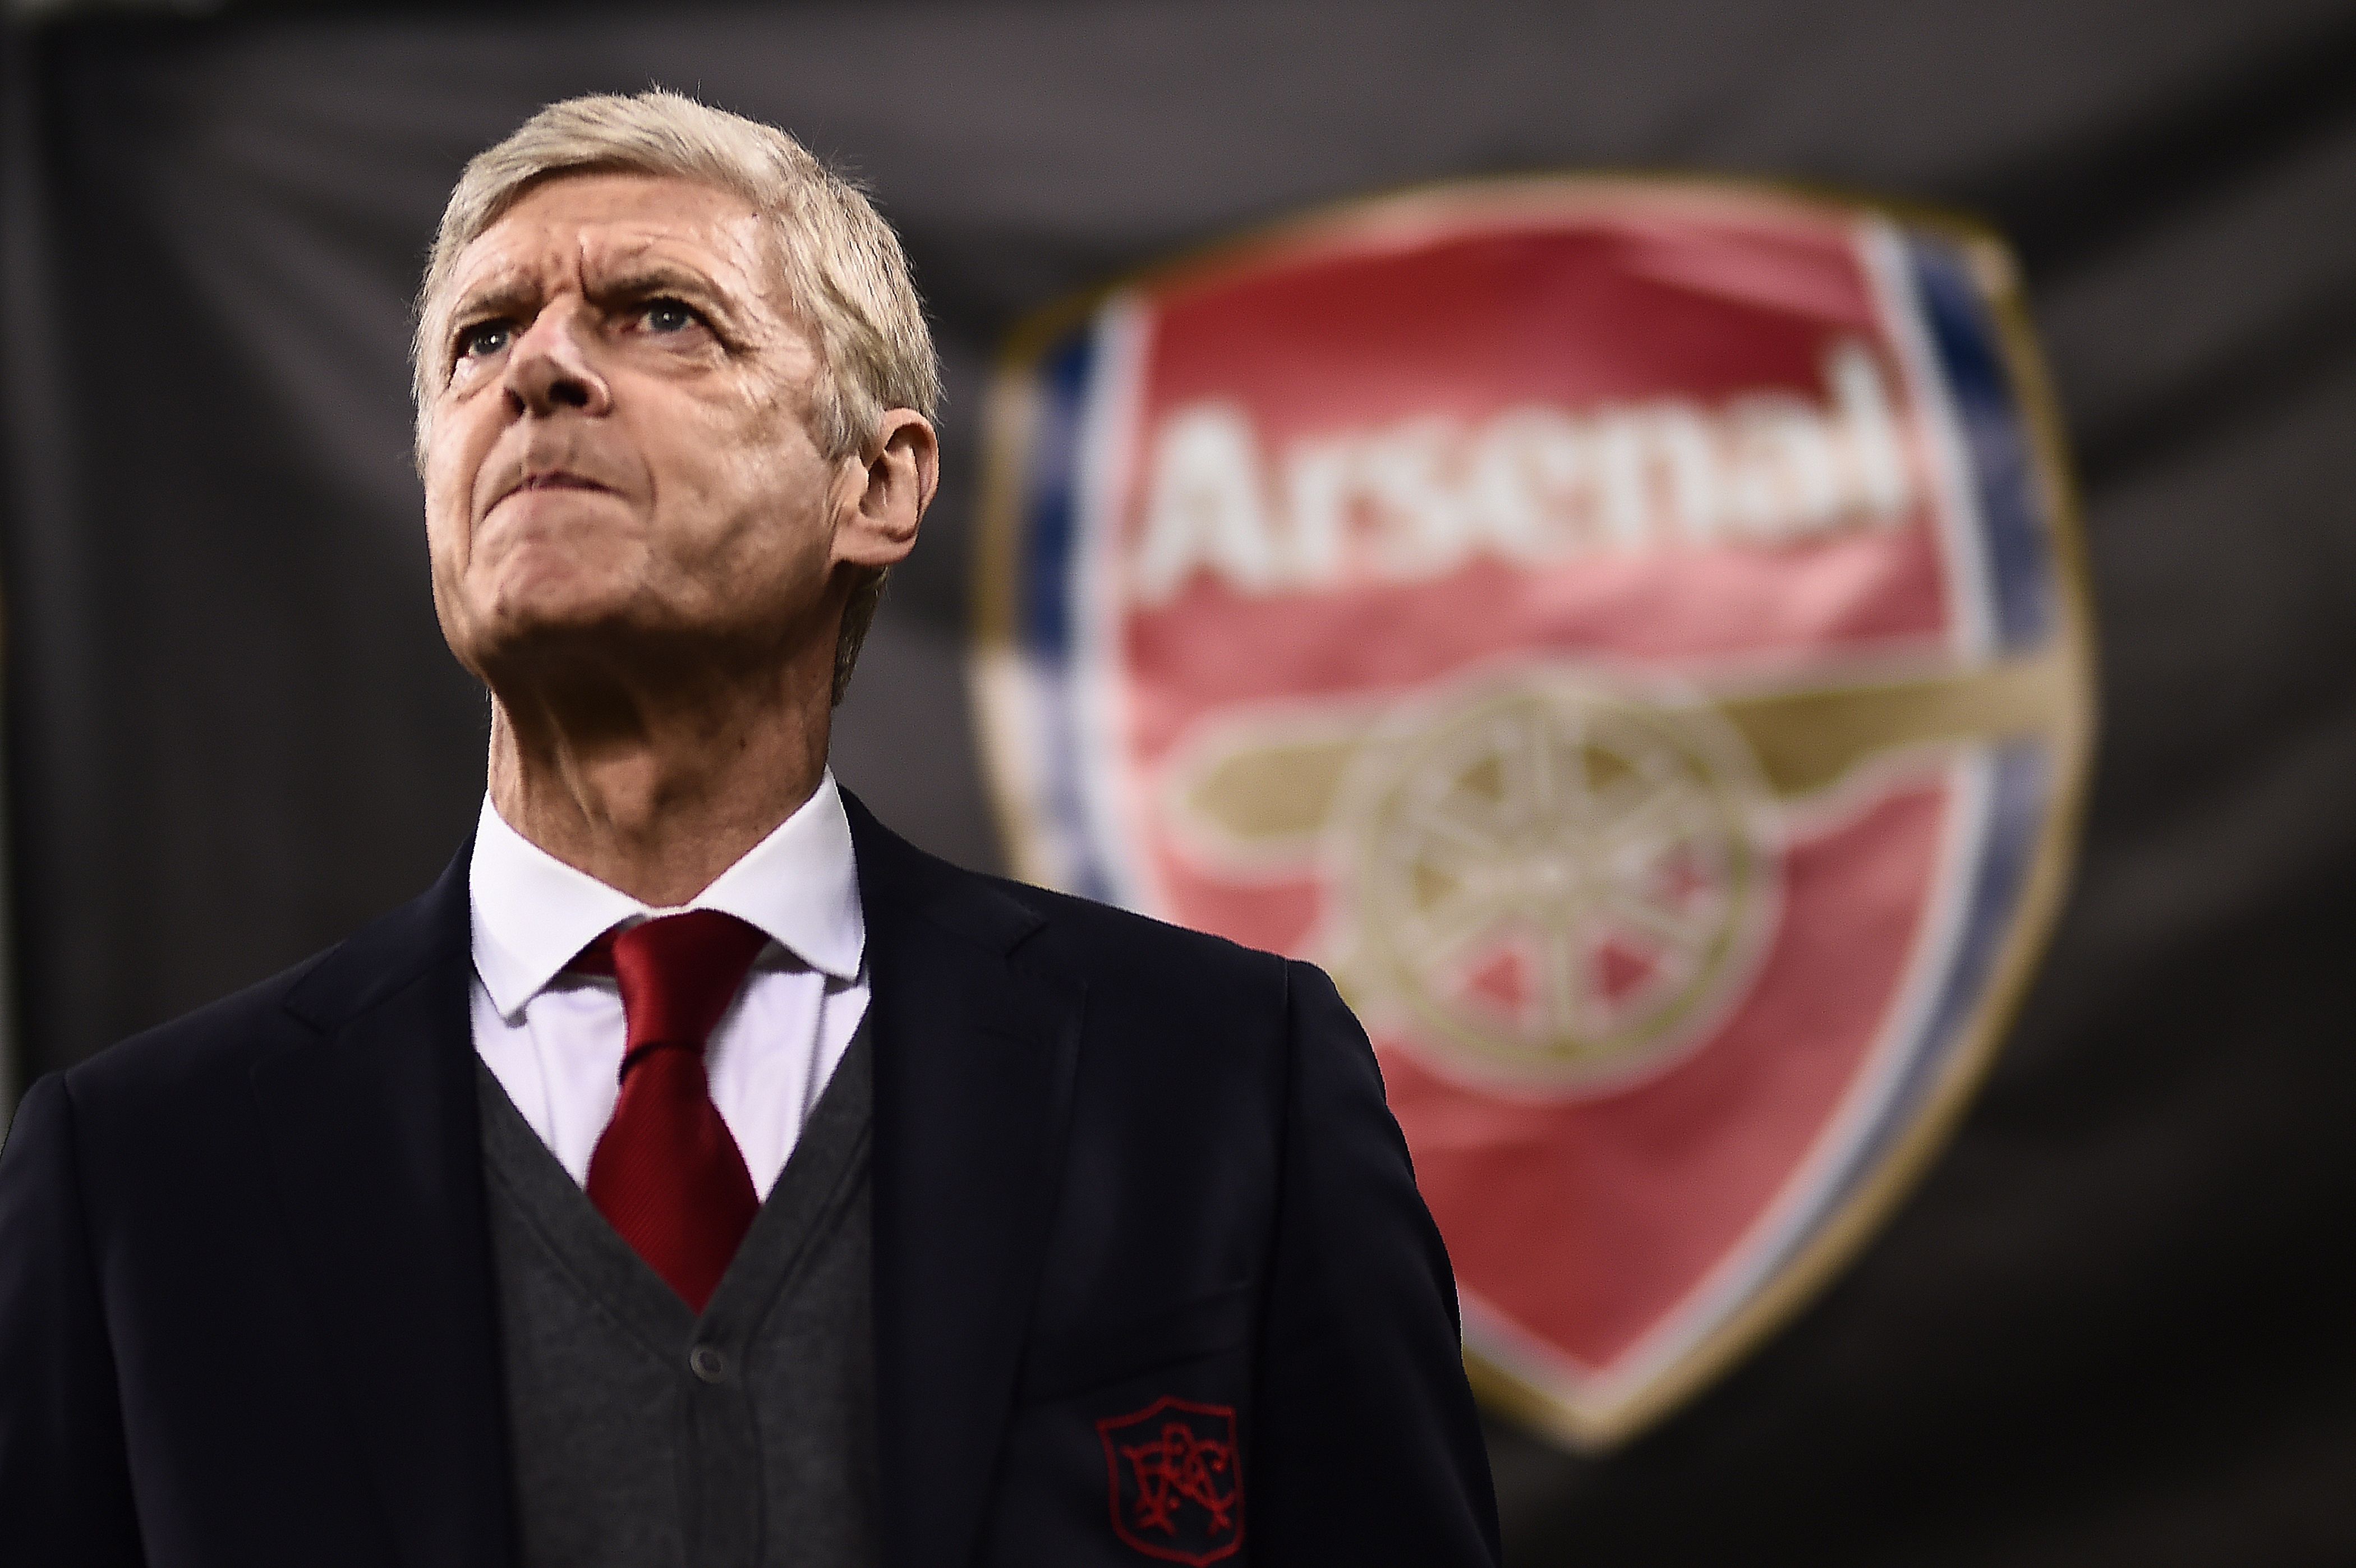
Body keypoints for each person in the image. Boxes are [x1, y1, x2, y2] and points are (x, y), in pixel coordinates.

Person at [0, 91, 1500, 1567]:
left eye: (660, 316)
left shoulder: (1229, 1085)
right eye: (481, 337)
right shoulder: (137, 1177)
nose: (541, 372)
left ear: (880, 480)